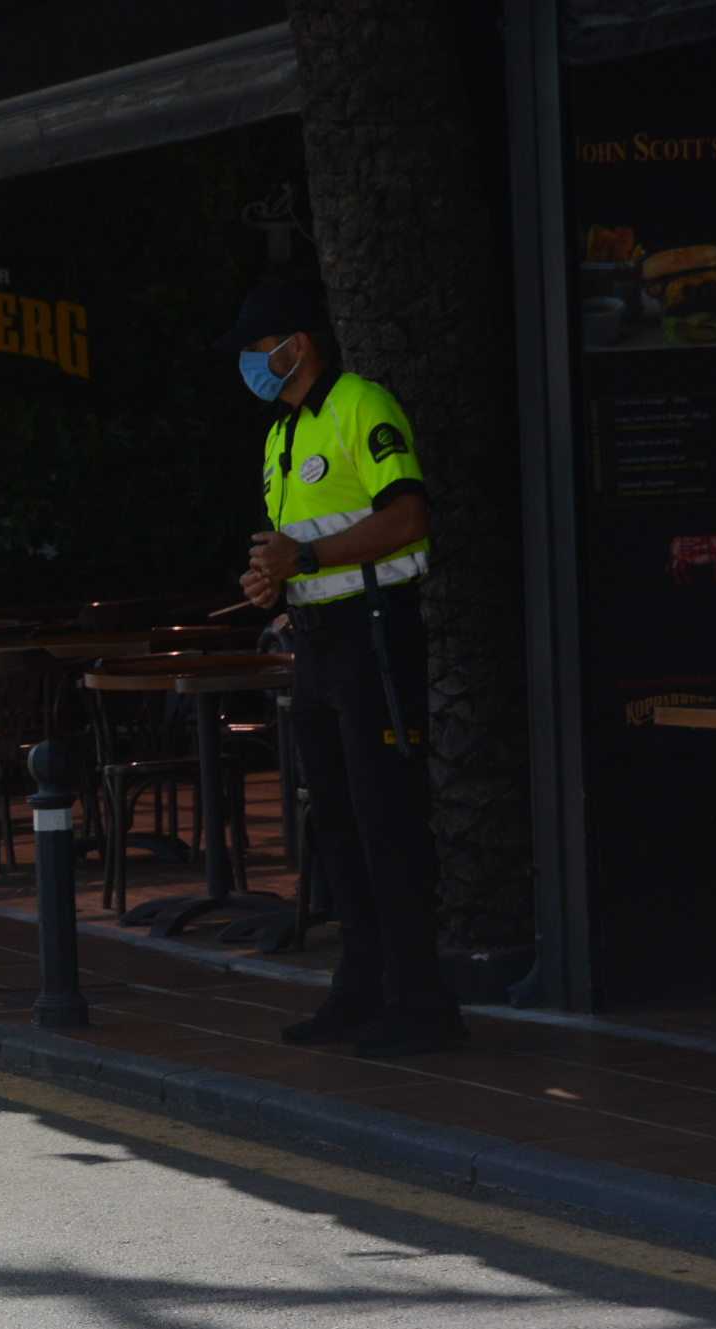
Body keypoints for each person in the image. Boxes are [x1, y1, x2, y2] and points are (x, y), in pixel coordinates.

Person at [223, 280, 466, 1058]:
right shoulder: (282, 434)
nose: (252, 366)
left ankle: (420, 1004)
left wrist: (308, 557)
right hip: (317, 641)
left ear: (296, 343)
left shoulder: (362, 403)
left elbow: (406, 515)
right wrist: (273, 578)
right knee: (335, 820)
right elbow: (298, 547)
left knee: (387, 819)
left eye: (257, 351)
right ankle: (361, 988)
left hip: (374, 632)